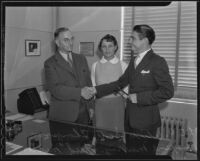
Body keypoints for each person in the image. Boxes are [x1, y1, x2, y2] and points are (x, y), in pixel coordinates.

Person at [89, 24, 174, 154]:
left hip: (146, 123)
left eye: (133, 38)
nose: (129, 41)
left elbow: (167, 91)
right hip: (129, 121)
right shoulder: (134, 60)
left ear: (144, 40)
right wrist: (96, 90)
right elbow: (120, 83)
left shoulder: (158, 62)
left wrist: (139, 97)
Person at [44, 27, 94, 150]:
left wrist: (91, 106)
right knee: (65, 150)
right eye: (66, 40)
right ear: (57, 42)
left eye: (72, 39)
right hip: (63, 116)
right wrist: (80, 92)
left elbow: (88, 83)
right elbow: (55, 89)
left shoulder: (81, 58)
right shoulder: (50, 63)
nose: (70, 43)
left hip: (83, 115)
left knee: (81, 148)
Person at [91, 34, 128, 132]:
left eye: (110, 46)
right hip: (100, 106)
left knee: (117, 133)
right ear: (100, 48)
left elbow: (126, 90)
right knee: (101, 133)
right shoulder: (95, 66)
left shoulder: (123, 65)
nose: (107, 49)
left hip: (117, 106)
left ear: (115, 47)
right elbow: (94, 88)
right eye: (104, 46)